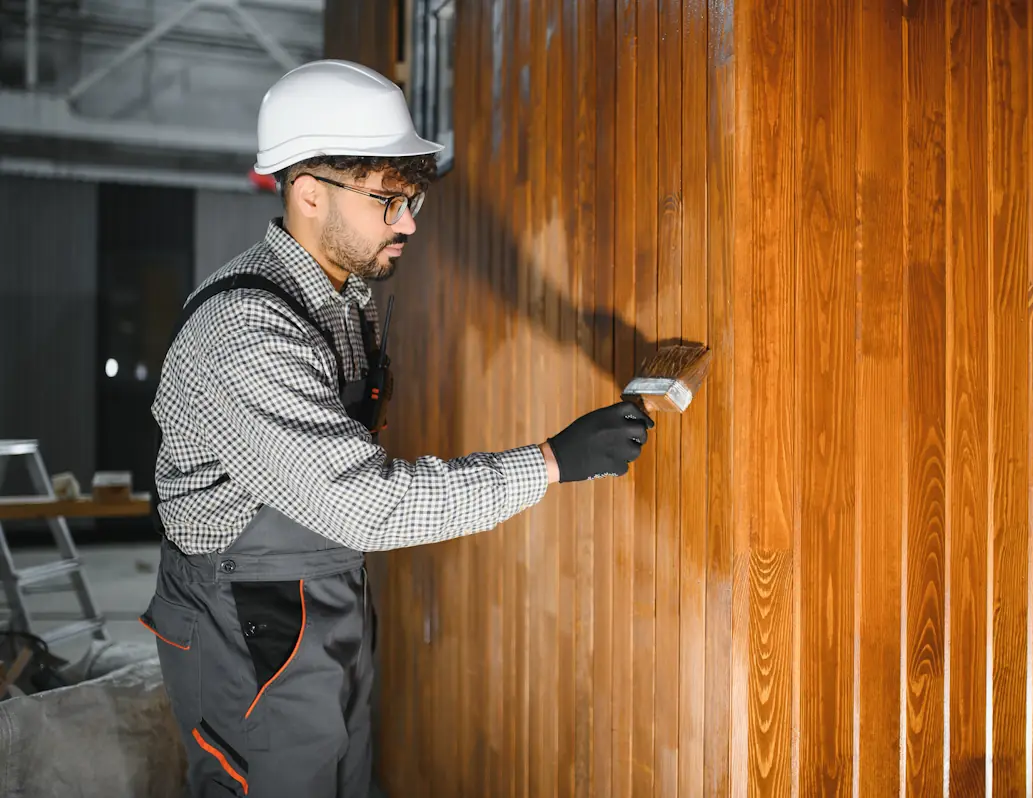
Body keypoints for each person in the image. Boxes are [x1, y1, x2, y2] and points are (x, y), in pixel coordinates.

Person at [139, 58, 653, 798]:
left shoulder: (345, 299)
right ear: (309, 193)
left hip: (324, 591)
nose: (409, 221)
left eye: (410, 197)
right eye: (388, 199)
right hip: (245, 621)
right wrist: (550, 461)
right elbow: (364, 503)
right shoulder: (247, 328)